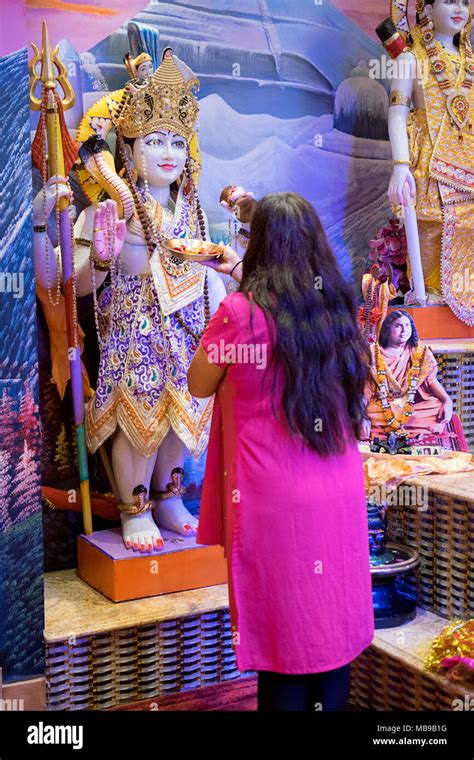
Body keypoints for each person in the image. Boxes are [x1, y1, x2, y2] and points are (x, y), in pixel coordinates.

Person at [187, 192, 375, 711]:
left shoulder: (239, 312)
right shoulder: (335, 304)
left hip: (273, 497)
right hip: (336, 486)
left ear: (259, 246)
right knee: (329, 631)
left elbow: (199, 383)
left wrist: (235, 292)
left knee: (283, 640)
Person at [32, 48, 226, 551]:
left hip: (186, 328)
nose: (168, 153)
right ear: (129, 149)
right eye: (155, 141)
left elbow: (211, 272)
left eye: (177, 143)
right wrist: (100, 256)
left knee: (179, 425)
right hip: (132, 331)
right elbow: (74, 288)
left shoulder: (194, 213)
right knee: (138, 423)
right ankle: (133, 506)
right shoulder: (105, 210)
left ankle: (167, 497)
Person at [387, 0, 474, 324]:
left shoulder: (471, 63)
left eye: (464, 2)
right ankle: (430, 309)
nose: (459, 9)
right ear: (425, 7)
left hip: (470, 166)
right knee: (430, 229)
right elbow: (397, 113)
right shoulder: (410, 59)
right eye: (449, 0)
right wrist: (400, 164)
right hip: (431, 165)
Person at [363, 309, 453, 440]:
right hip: (382, 406)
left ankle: (391, 428)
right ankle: (397, 426)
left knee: (436, 407)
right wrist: (361, 415)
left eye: (407, 325)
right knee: (367, 413)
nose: (404, 330)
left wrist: (447, 400)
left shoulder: (420, 352)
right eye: (398, 325)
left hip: (412, 408)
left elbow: (431, 380)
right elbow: (365, 387)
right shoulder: (373, 354)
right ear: (388, 329)